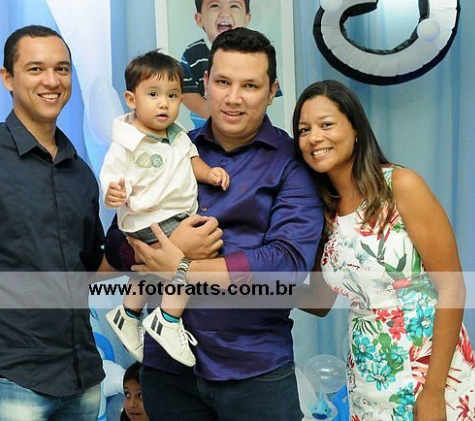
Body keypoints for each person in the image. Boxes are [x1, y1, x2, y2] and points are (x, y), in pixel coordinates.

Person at [106, 27, 324, 421]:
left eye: (250, 85)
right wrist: (170, 244)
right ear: (205, 83)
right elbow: (117, 245)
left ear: (272, 91)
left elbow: (287, 264)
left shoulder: (292, 163)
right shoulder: (168, 147)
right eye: (223, 82)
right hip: (167, 372)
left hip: (254, 369)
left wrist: (182, 266)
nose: (233, 97)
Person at [0, 25, 112, 420]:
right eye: (35, 69)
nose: (52, 81)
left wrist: (152, 239)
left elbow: (89, 271)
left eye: (62, 69)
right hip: (7, 379)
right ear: (7, 78)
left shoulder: (80, 172)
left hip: (81, 379)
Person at [293, 80, 475, 420]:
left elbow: (453, 287)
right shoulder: (322, 212)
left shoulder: (401, 186)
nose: (314, 138)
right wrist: (247, 283)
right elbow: (320, 301)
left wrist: (434, 392)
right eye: (304, 130)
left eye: (326, 124)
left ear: (355, 128)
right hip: (369, 374)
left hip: (428, 369)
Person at [101, 50, 230, 368]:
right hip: (148, 218)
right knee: (191, 258)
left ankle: (128, 312)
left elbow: (192, 161)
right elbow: (112, 175)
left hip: (170, 215)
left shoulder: (178, 135)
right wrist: (114, 192)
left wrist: (210, 173)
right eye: (154, 95)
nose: (164, 104)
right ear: (131, 99)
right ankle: (167, 319)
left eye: (172, 96)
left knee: (154, 266)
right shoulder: (128, 140)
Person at [181, 0, 252, 123]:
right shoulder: (193, 54)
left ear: (247, 18)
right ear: (199, 19)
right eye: (215, 6)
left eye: (234, 6)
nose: (225, 13)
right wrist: (215, 115)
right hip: (205, 127)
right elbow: (187, 93)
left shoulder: (256, 54)